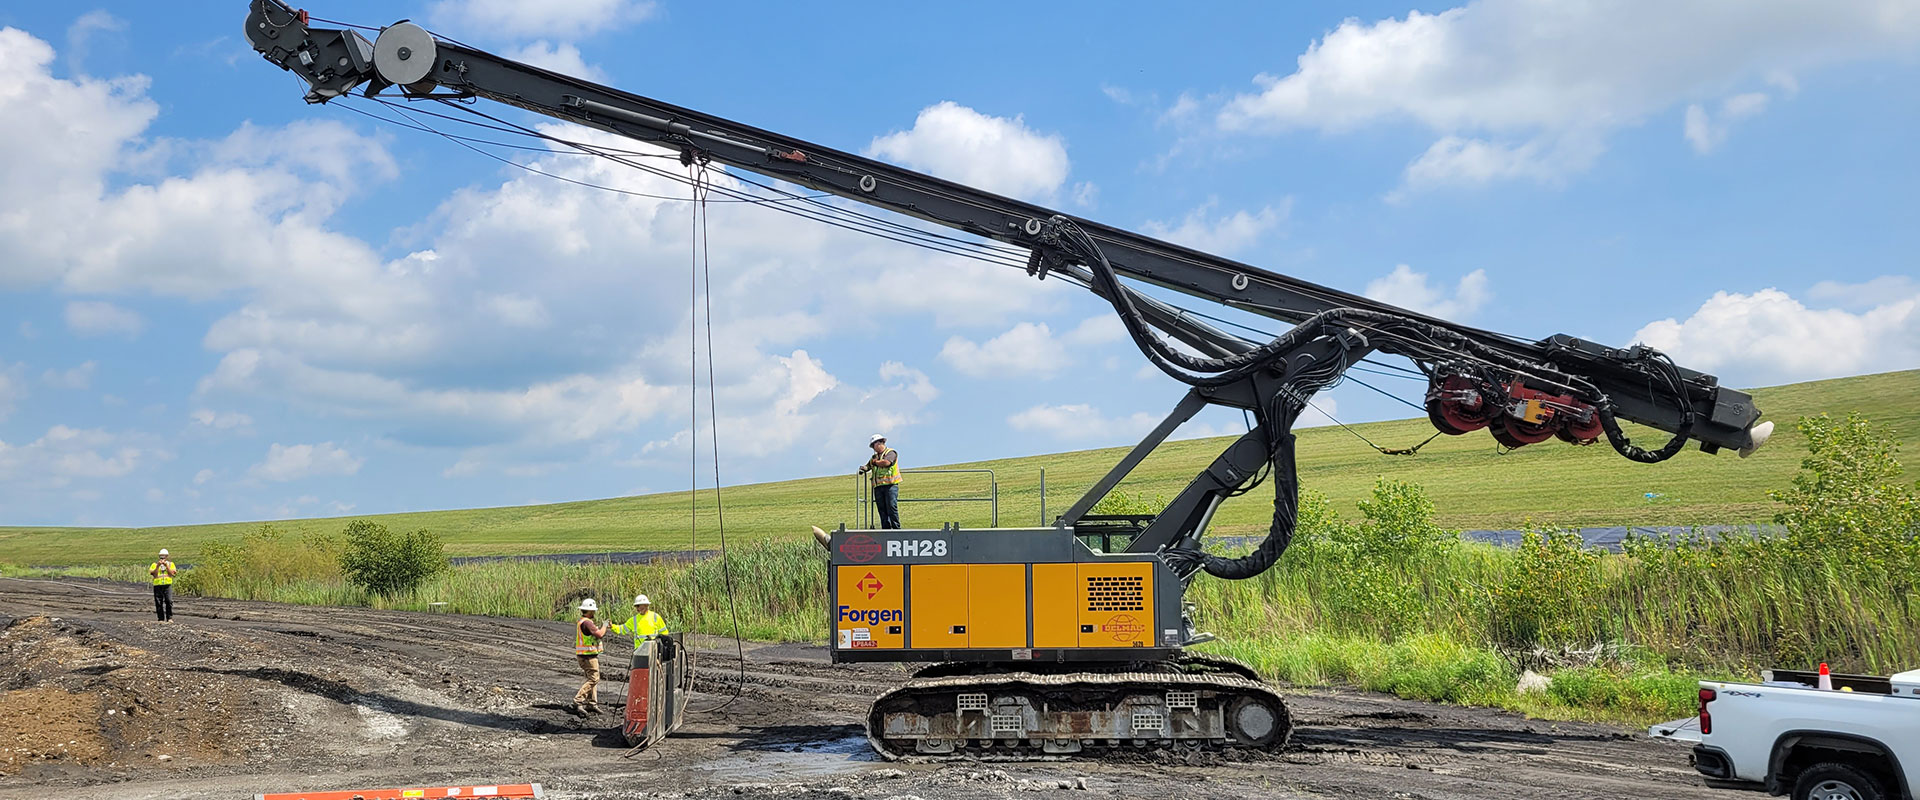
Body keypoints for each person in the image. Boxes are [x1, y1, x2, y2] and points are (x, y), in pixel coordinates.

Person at [572, 598, 610, 715]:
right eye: (593, 611)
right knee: (594, 679)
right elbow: (599, 634)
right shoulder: (587, 623)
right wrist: (605, 626)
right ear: (589, 611)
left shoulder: (582, 622)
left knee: (592, 679)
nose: (594, 613)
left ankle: (592, 703)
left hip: (584, 655)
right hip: (588, 657)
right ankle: (578, 700)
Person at [858, 433, 902, 529]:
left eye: (873, 445)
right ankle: (886, 529)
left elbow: (886, 463)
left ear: (879, 443)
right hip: (878, 487)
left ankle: (896, 529)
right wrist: (864, 468)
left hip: (890, 485)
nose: (873, 448)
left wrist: (875, 462)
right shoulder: (874, 457)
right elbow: (868, 466)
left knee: (891, 507)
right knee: (882, 510)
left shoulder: (891, 453)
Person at [148, 549, 177, 622]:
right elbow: (153, 574)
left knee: (169, 601)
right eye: (161, 557)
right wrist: (158, 566)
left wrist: (166, 566)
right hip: (157, 585)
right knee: (158, 602)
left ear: (167, 557)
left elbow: (172, 574)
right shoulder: (154, 564)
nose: (162, 558)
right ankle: (160, 618)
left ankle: (169, 617)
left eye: (164, 557)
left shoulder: (171, 564)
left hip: (167, 585)